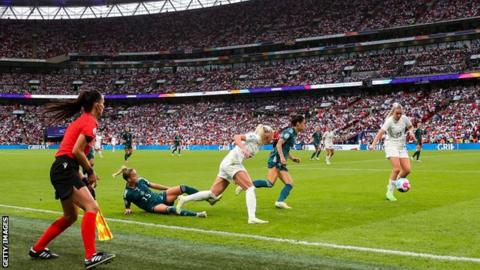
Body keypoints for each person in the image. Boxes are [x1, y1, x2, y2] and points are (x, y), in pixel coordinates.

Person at [29, 90, 115, 269]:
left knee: (70, 216)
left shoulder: (81, 120)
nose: (104, 107)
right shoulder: (90, 122)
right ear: (97, 104)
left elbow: (70, 154)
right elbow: (76, 151)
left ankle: (37, 248)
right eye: (104, 103)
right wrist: (89, 171)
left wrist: (82, 177)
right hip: (66, 169)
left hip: (63, 168)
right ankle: (91, 256)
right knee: (92, 207)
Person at [176, 124, 274, 224]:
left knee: (213, 194)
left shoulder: (259, 144)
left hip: (228, 163)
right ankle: (252, 217)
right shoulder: (255, 137)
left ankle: (184, 199)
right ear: (266, 135)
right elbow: (237, 137)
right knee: (250, 188)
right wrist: (243, 149)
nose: (273, 137)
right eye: (272, 135)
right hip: (232, 163)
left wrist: (236, 176)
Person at [241, 115, 305, 210]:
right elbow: (279, 144)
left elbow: (285, 148)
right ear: (298, 123)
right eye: (304, 123)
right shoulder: (289, 132)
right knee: (284, 183)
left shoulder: (294, 133)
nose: (305, 125)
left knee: (274, 183)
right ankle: (279, 201)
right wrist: (282, 158)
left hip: (278, 159)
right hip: (276, 160)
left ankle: (246, 185)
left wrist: (292, 158)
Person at [113, 167, 207, 217]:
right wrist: (127, 209)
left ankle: (206, 197)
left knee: (183, 188)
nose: (137, 177)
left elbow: (154, 185)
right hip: (153, 206)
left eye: (136, 174)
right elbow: (127, 205)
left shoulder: (140, 180)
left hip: (160, 197)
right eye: (134, 176)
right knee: (172, 210)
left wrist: (169, 189)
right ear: (129, 180)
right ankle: (197, 214)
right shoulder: (128, 193)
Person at [369, 103, 415, 202]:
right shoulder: (389, 121)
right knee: (397, 169)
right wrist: (373, 144)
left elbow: (411, 126)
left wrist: (411, 132)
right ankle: (389, 192)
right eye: (397, 113)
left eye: (400, 113)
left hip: (401, 145)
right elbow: (380, 133)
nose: (399, 115)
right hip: (391, 144)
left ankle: (394, 183)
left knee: (407, 170)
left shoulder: (404, 118)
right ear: (393, 112)